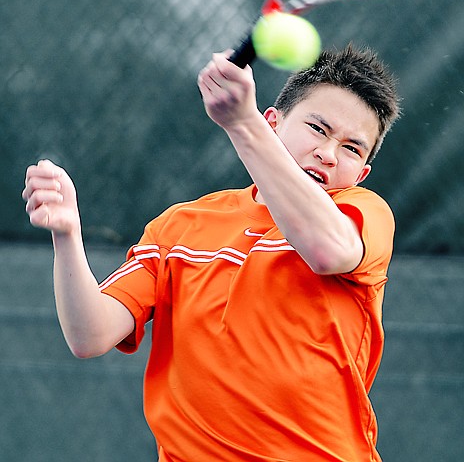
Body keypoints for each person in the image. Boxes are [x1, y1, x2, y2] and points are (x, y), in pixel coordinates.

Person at [23, 44, 400, 462]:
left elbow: (327, 251)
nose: (328, 153)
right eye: (317, 128)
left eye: (352, 148)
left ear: (362, 173)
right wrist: (67, 234)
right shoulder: (180, 226)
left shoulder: (362, 215)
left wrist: (242, 125)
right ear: (273, 123)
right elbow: (89, 335)